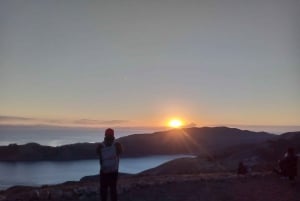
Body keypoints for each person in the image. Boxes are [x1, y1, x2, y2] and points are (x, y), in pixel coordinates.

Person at [97, 128, 123, 201]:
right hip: (114, 171)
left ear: (105, 135)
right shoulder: (117, 145)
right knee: (113, 190)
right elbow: (120, 152)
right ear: (113, 135)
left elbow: (97, 153)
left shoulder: (100, 146)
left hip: (104, 171)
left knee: (103, 190)